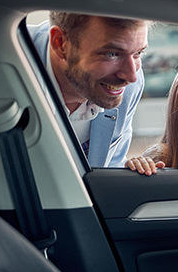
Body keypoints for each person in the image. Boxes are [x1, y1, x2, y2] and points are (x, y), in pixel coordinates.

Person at [28, 12, 149, 167]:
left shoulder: (129, 87)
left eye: (138, 53)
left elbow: (112, 164)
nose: (131, 77)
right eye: (112, 54)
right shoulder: (8, 65)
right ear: (60, 43)